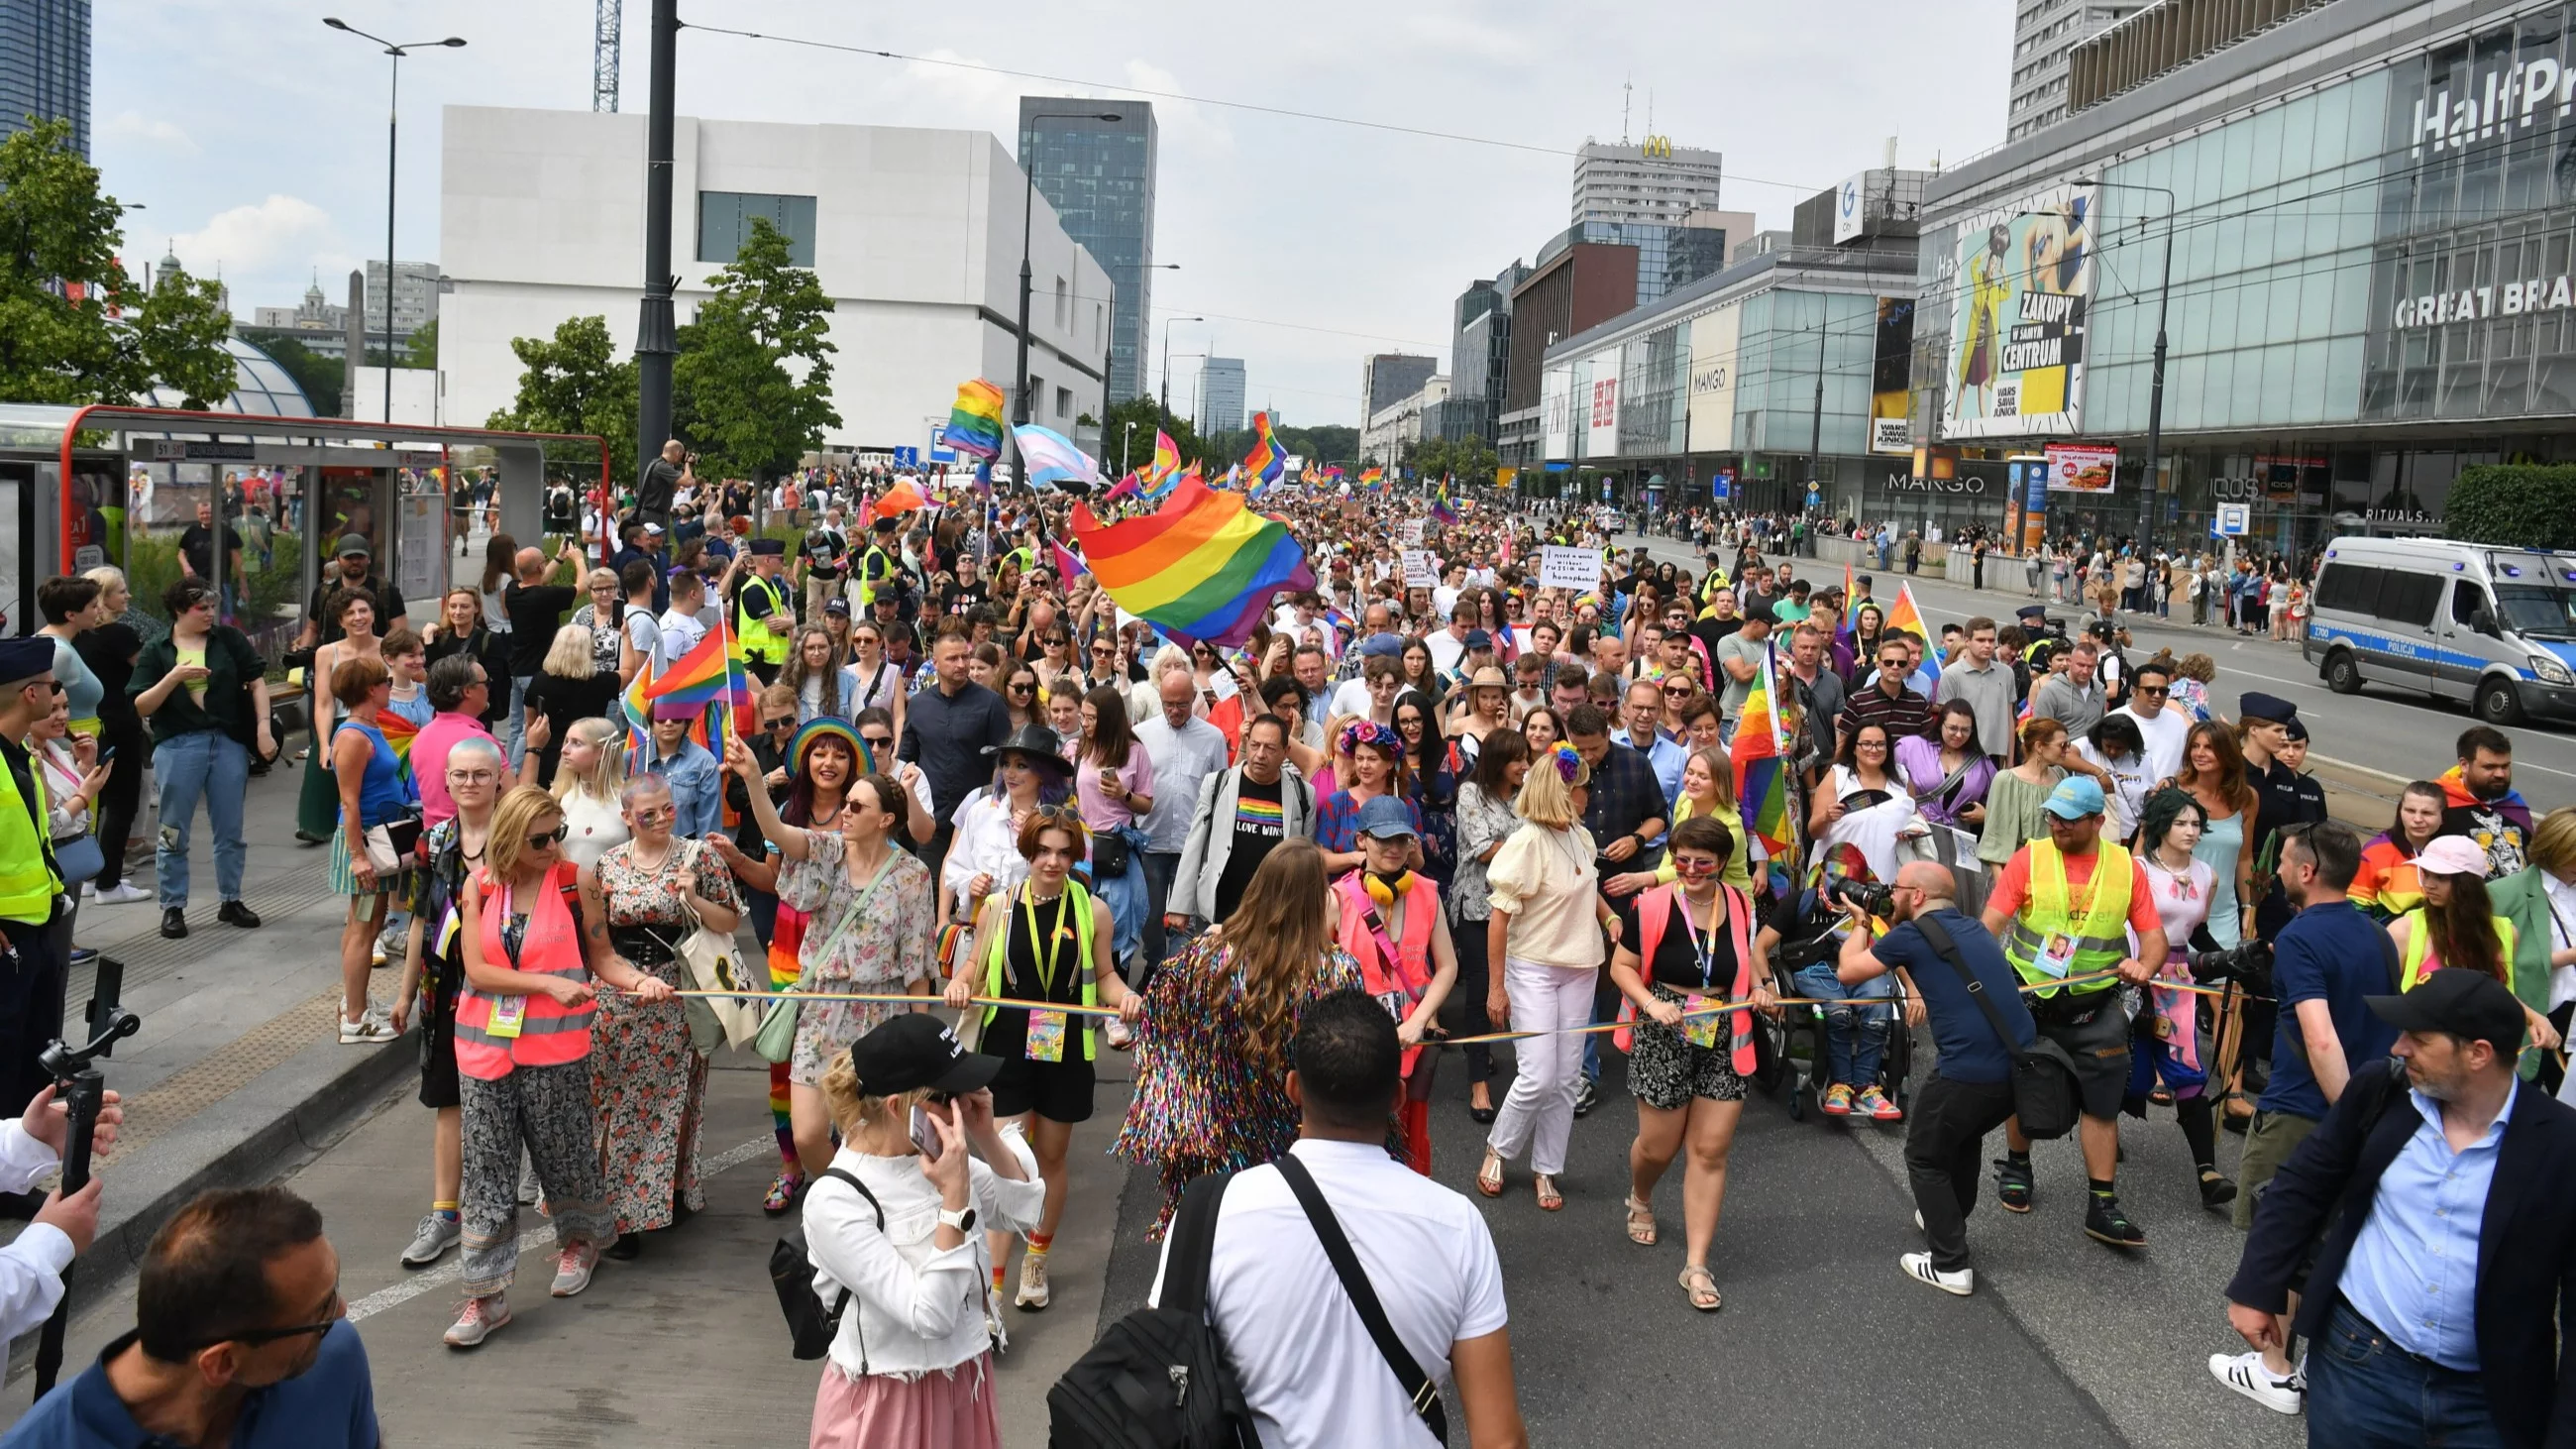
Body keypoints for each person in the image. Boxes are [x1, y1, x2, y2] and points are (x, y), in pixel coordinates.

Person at [1146, 990, 1527, 1449]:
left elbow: (1164, 1395)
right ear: (1397, 1098)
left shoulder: (1211, 1214)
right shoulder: (1457, 1226)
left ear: (1292, 1089)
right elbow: (1500, 1441)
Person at [2222, 971, 2576, 1447]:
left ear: (2478, 1054)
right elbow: (2304, 1182)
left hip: (2489, 1402)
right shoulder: (2383, 1092)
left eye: (2419, 1038)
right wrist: (2256, 1288)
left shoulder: (2560, 1143)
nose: (2399, 1047)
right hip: (2360, 1372)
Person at [444, 785, 674, 1347]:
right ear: (509, 839)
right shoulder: (479, 886)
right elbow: (477, 970)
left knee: (565, 1151)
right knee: (487, 1172)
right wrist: (546, 984)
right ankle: (484, 1295)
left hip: (557, 1051)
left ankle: (581, 1241)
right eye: (540, 839)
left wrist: (642, 980)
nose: (553, 846)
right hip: (483, 1052)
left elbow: (603, 959)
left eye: (558, 835)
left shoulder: (577, 882)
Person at [801, 1016, 1041, 1449]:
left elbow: (1022, 1211)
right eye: (948, 1095)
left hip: (963, 1379)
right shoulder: (836, 1201)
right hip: (889, 1401)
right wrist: (954, 1200)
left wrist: (987, 1133)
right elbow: (929, 1315)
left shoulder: (934, 1152)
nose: (962, 1104)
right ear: (898, 1107)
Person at [1114, 840, 1365, 1235]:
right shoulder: (1338, 970)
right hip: (1298, 1133)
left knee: (1221, 1234)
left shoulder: (1210, 957)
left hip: (1220, 1128)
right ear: (1314, 898)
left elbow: (1162, 1000)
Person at [943, 805, 1138, 1311]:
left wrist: (1125, 997)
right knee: (1010, 1161)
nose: (1052, 862)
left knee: (1050, 1157)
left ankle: (1038, 1259)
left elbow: (1108, 975)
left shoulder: (1092, 910)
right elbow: (971, 964)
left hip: (1066, 1047)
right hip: (1005, 1045)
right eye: (1043, 851)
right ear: (1028, 852)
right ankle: (994, 1289)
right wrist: (962, 983)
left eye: (1063, 852)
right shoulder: (999, 908)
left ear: (1075, 855)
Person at [0, 1186, 379, 1448]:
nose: (341, 1311)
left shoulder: (334, 1359)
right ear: (222, 1362)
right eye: (320, 1312)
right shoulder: (43, 1442)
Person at [730, 737, 938, 1176]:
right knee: (808, 1134)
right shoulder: (827, 851)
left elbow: (918, 964)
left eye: (857, 807)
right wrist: (753, 778)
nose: (845, 811)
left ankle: (859, 1215)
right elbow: (776, 832)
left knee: (870, 1136)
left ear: (886, 819)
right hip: (821, 1006)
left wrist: (919, 1037)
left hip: (882, 1010)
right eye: (846, 804)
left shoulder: (912, 876)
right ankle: (841, 1201)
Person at [1833, 860, 2034, 1295]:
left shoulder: (1912, 933)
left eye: (1898, 888)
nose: (1892, 894)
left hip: (1966, 1072)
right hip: (2014, 1070)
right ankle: (1948, 1221)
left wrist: (1862, 922)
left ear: (1918, 896)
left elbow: (1847, 971)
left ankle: (1950, 1264)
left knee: (1923, 1154)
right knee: (1963, 1137)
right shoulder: (1975, 929)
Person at [1981, 776, 2166, 1247]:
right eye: (2052, 816)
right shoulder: (2030, 857)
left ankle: (2102, 1205)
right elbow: (1990, 926)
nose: (2056, 825)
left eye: (2068, 818)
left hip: (2098, 1005)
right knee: (2026, 1085)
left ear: (2098, 821)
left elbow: (2154, 940)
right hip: (2031, 999)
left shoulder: (2127, 867)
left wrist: (2143, 966)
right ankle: (2018, 1166)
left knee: (2102, 1107)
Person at [1605, 815, 1774, 1311]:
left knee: (1709, 1150)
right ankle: (1641, 1194)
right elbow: (1621, 966)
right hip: (1665, 1026)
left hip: (1725, 1029)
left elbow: (1749, 958)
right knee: (1658, 1148)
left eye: (1703, 862)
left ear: (1723, 863)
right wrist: (1651, 1004)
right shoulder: (1652, 904)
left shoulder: (1742, 903)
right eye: (1682, 860)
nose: (1691, 869)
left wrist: (1762, 989)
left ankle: (1696, 1264)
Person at [587, 774, 742, 1260]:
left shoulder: (699, 857)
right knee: (607, 1102)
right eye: (647, 814)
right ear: (627, 817)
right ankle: (620, 1201)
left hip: (675, 995)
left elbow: (731, 919)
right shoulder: (607, 864)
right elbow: (599, 939)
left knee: (659, 1103)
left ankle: (639, 1211)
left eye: (667, 810)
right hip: (614, 995)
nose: (659, 820)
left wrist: (693, 898)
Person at [1478, 740, 1620, 1213]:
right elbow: (1499, 918)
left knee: (1564, 1079)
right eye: (1582, 788)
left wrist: (1608, 916)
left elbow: (1586, 884)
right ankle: (1499, 1148)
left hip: (1581, 968)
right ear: (1562, 792)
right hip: (1533, 968)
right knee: (1537, 1075)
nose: (1589, 795)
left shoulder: (1580, 836)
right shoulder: (1525, 843)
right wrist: (1497, 987)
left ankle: (1547, 1168)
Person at [392, 735, 505, 1269]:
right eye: (459, 775)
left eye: (480, 775)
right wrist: (404, 992)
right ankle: (446, 1214)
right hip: (446, 993)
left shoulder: (519, 835)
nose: (469, 784)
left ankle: (520, 1194)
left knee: (515, 1096)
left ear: (498, 779)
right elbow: (419, 922)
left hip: (507, 991)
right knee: (448, 1100)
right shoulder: (432, 842)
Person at [131, 581, 271, 943]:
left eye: (212, 607)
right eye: (201, 608)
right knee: (172, 828)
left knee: (230, 828)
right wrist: (174, 676)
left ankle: (231, 899)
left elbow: (257, 682)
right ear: (179, 610)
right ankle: (173, 905)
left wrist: (263, 729)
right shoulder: (156, 649)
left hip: (226, 742)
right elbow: (142, 705)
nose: (210, 614)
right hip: (177, 745)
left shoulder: (228, 640)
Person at [1329, 796, 1459, 1174]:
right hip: (1354, 1042)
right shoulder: (1337, 899)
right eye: (1383, 839)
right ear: (1361, 841)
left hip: (1413, 1042)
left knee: (1410, 1137)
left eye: (1402, 840)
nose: (1394, 848)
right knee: (1358, 1139)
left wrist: (1419, 1021)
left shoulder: (1427, 891)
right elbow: (1314, 969)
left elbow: (1447, 967)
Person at [2127, 788, 2237, 1211]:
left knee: (2188, 1070)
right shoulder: (2137, 870)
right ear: (2160, 827)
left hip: (2178, 982)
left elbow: (2199, 935)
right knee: (2129, 1071)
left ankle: (2207, 1172)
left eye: (2196, 824)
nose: (2192, 831)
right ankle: (2104, 1128)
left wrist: (2232, 961)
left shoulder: (2207, 875)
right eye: (2182, 823)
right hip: (2136, 972)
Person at [324, 655, 415, 1046]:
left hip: (378, 840)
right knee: (364, 926)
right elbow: (349, 802)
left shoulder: (369, 729)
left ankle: (354, 1002)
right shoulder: (353, 738)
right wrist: (358, 855)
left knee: (365, 923)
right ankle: (355, 1020)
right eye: (384, 682)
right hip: (367, 845)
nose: (390, 688)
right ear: (369, 690)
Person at [1170, 713, 1317, 932]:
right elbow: (1195, 843)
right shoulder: (1217, 783)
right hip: (1222, 906)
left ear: (1286, 752)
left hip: (1275, 913)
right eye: (1255, 745)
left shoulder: (1303, 793)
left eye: (1270, 748)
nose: (1260, 755)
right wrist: (1180, 905)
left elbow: (1306, 857)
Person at [1134, 669, 1231, 982]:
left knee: (1185, 917)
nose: (1175, 711)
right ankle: (1154, 963)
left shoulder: (1212, 737)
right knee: (1150, 914)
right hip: (1151, 838)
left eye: (1182, 704)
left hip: (1193, 844)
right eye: (1168, 704)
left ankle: (1176, 974)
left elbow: (1221, 790)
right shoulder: (1142, 734)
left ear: (1194, 699)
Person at [902, 620, 1014, 872]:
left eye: (966, 657)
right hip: (932, 825)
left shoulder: (991, 704)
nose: (962, 664)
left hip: (978, 822)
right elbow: (907, 759)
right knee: (933, 899)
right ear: (935, 662)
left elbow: (1003, 762)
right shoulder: (919, 705)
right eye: (953, 658)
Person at [2174, 721, 2260, 948]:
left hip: (2224, 915)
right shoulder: (2171, 790)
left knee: (2224, 982)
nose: (2199, 753)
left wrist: (2249, 908)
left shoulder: (2247, 798)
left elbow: (2244, 858)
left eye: (2208, 747)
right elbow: (2143, 854)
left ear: (2227, 753)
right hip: (2173, 911)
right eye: (2194, 746)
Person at [520, 624, 620, 790]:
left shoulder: (539, 680)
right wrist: (626, 635)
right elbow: (630, 671)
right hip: (588, 758)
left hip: (547, 755)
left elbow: (530, 721)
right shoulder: (601, 681)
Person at [1976, 716, 2072, 869]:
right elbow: (1994, 840)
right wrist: (2004, 888)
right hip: (2017, 870)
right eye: (2062, 745)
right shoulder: (2006, 780)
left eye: (2069, 744)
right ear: (2039, 746)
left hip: (2053, 870)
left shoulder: (2061, 776)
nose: (2067, 750)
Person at [2437, 724, 2531, 876]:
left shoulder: (2515, 804)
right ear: (2464, 765)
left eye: (2505, 766)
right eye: (2490, 767)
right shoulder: (2437, 802)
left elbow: (2531, 855)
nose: (2500, 774)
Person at [2352, 780, 2446, 922]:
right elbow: (2357, 908)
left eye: (2427, 813)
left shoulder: (2452, 851)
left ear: (2443, 817)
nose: (2417, 819)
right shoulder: (2375, 852)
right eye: (2410, 811)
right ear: (2400, 811)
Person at [422, 587, 512, 733]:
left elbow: (493, 680)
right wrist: (429, 643)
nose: (457, 612)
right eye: (453, 606)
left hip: (477, 714)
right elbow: (432, 676)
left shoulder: (489, 640)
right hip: (446, 711)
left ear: (476, 608)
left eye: (464, 606)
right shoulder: (441, 639)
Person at [633, 699, 721, 838]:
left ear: (686, 722)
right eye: (661, 718)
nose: (669, 723)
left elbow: (709, 823)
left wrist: (702, 857)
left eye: (676, 718)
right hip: (641, 850)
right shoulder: (633, 759)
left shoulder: (705, 762)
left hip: (687, 850)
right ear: (651, 723)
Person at [1935, 617, 2015, 761]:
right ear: (1967, 641)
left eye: (1991, 641)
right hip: (1962, 754)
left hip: (1995, 755)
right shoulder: (1951, 674)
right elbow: (1945, 721)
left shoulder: (2006, 673)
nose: (1987, 645)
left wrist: (2010, 760)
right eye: (1981, 640)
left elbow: (2009, 718)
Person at [2110, 659, 2190, 784]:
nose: (2157, 695)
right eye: (2150, 690)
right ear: (2134, 691)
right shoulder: (2114, 721)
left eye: (2163, 691)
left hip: (2167, 799)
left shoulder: (2178, 722)